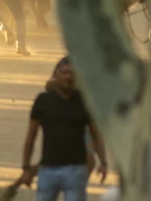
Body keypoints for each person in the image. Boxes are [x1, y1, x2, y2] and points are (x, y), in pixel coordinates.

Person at [19, 57, 107, 201]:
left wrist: (103, 162)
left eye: (71, 73)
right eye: (64, 73)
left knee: (89, 157)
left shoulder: (84, 102)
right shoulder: (43, 101)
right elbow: (31, 137)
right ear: (56, 74)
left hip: (75, 170)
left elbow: (95, 134)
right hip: (48, 170)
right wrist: (25, 168)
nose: (68, 76)